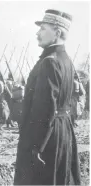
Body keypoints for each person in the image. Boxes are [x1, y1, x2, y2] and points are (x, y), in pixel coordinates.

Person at [14, 9, 81, 185]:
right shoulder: (66, 60)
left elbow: (44, 110)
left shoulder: (49, 62)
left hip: (47, 138)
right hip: (62, 132)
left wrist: (37, 147)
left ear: (57, 32)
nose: (37, 33)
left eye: (43, 29)